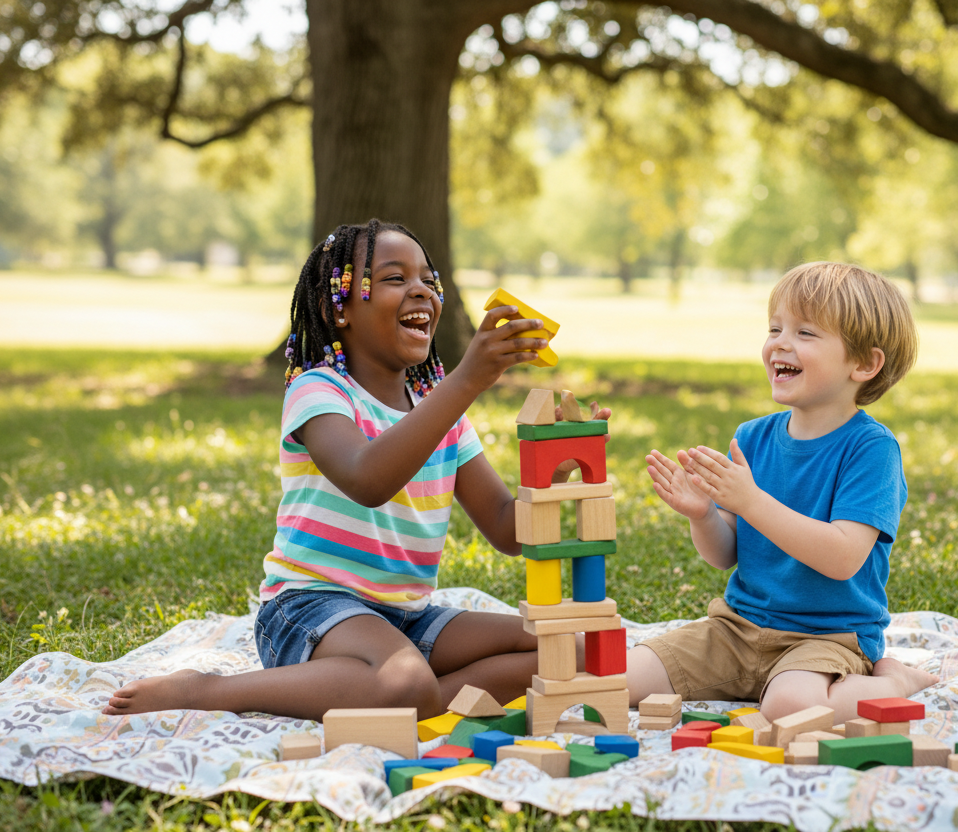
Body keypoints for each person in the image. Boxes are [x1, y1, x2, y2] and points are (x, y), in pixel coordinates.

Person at [104, 219, 605, 721]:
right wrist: (467, 380)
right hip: (310, 608)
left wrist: (554, 468)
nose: (420, 292)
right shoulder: (318, 391)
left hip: (407, 617)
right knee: (403, 681)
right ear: (336, 307)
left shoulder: (440, 410)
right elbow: (368, 480)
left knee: (566, 648)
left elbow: (505, 528)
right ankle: (208, 691)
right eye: (394, 278)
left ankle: (411, 691)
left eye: (429, 281)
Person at [628, 262, 938, 724]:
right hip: (737, 629)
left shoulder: (871, 449)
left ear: (864, 364)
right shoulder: (751, 438)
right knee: (623, 678)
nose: (779, 343)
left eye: (806, 333)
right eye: (775, 328)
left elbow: (842, 558)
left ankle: (894, 680)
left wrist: (750, 500)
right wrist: (703, 515)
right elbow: (725, 554)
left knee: (788, 707)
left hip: (827, 638)